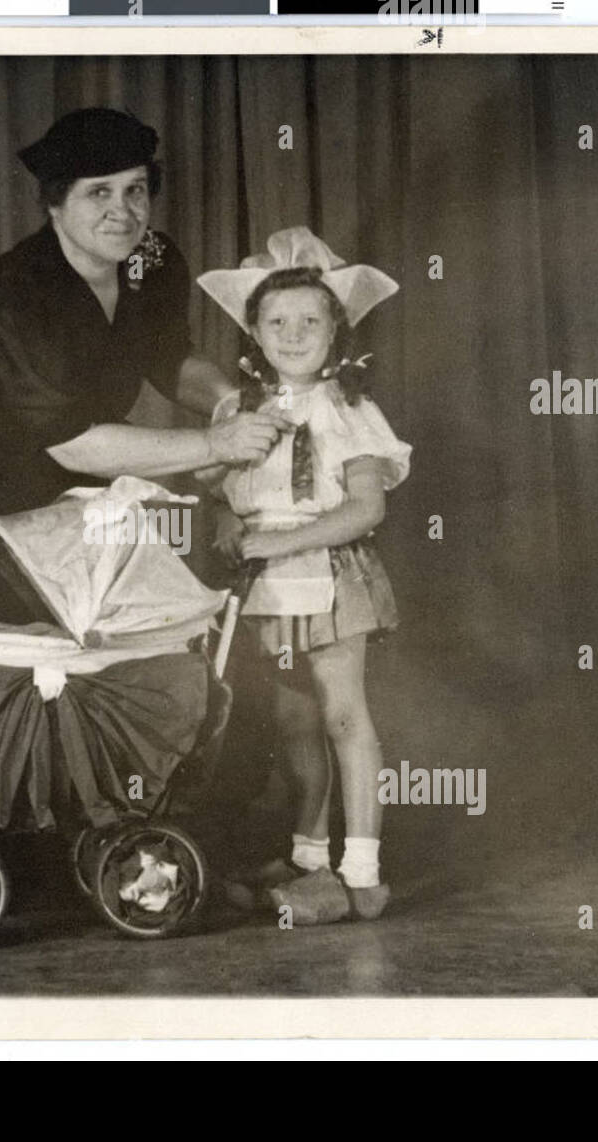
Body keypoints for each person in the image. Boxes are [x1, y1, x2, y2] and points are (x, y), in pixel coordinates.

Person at [0, 107, 286, 621]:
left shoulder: (153, 260)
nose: (124, 211)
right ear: (56, 203)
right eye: (100, 192)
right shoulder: (13, 293)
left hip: (66, 468)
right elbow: (72, 442)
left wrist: (230, 401)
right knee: (14, 633)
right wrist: (214, 443)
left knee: (114, 614)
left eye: (136, 190)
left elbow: (168, 354)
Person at [196, 226, 411, 924]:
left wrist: (269, 543)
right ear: (254, 332)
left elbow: (366, 507)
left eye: (309, 321)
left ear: (336, 329)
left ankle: (365, 871)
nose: (293, 334)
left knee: (345, 714)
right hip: (268, 583)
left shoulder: (346, 407)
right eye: (277, 321)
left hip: (329, 573)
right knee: (295, 722)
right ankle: (310, 854)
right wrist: (235, 531)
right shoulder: (238, 411)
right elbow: (224, 494)